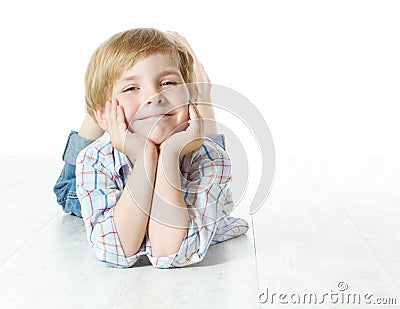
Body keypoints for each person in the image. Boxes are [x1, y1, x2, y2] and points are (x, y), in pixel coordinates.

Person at [53, 28, 249, 269]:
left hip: (190, 148)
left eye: (168, 83)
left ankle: (198, 94)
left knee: (203, 142)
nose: (154, 95)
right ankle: (101, 113)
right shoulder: (94, 159)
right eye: (131, 87)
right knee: (68, 192)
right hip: (109, 174)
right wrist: (143, 155)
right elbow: (114, 251)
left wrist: (169, 154)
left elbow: (169, 253)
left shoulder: (211, 160)